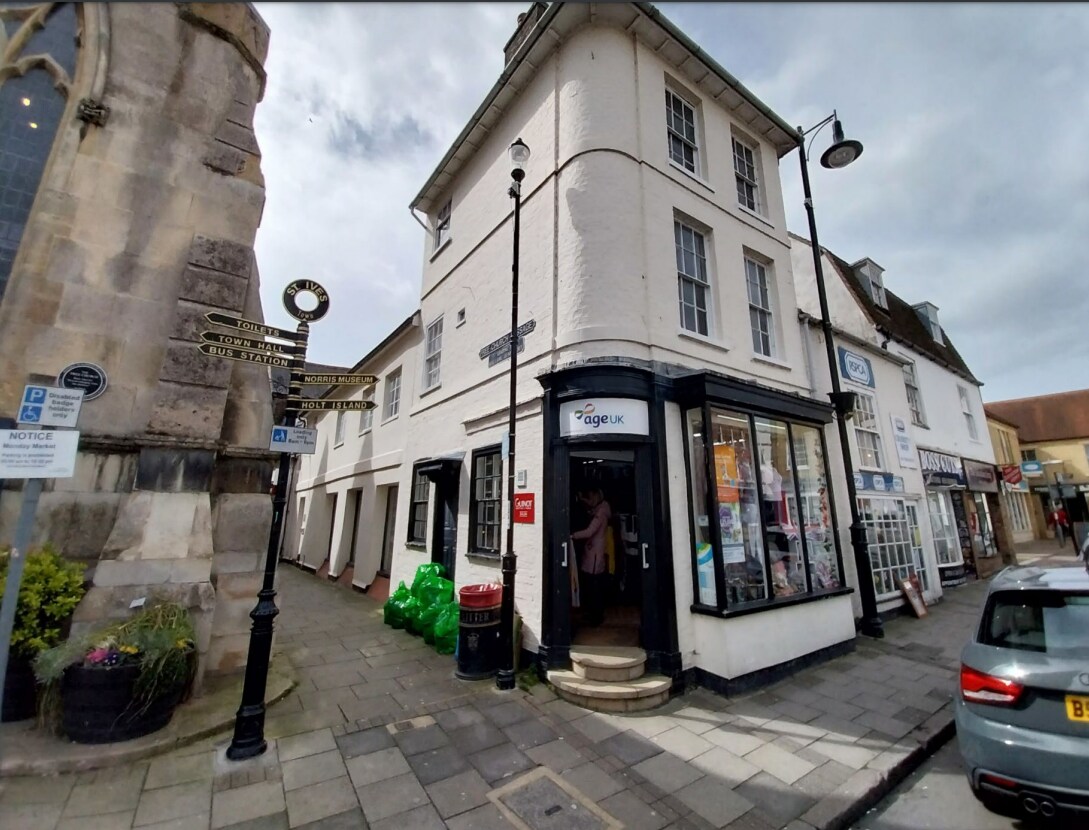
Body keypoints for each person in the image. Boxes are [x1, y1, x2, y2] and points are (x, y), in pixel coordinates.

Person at [571, 488, 612, 627]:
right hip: (591, 551)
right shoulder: (599, 509)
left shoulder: (600, 513)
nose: (589, 500)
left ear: (596, 496)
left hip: (595, 553)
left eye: (590, 496)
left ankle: (596, 616)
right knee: (591, 584)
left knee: (594, 585)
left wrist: (573, 535)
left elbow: (590, 531)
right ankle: (592, 613)